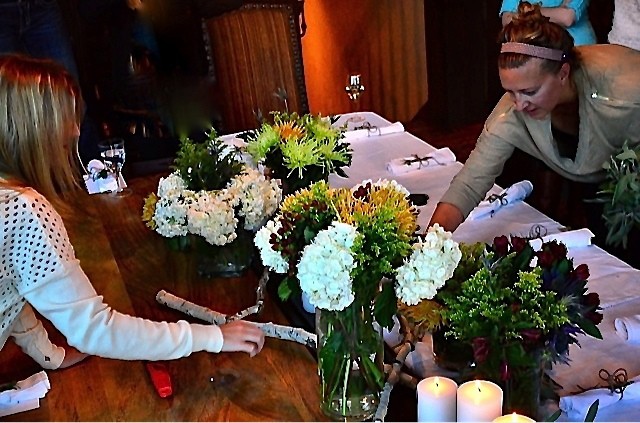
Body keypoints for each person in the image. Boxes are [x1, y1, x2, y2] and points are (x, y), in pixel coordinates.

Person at [0, 54, 265, 369]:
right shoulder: (24, 208)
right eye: (63, 120)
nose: (74, 132)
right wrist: (214, 338)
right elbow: (96, 329)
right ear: (31, 130)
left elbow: (11, 284)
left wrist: (50, 355)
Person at [430, 2, 640, 237]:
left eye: (530, 92)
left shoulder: (626, 95)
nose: (518, 104)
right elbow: (469, 184)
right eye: (510, 92)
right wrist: (428, 245)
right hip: (602, 183)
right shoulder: (510, 111)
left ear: (563, 73)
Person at [500, 0, 596, 46]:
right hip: (532, 53)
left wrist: (525, 12)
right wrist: (556, 11)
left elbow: (567, 18)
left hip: (577, 51)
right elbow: (507, 20)